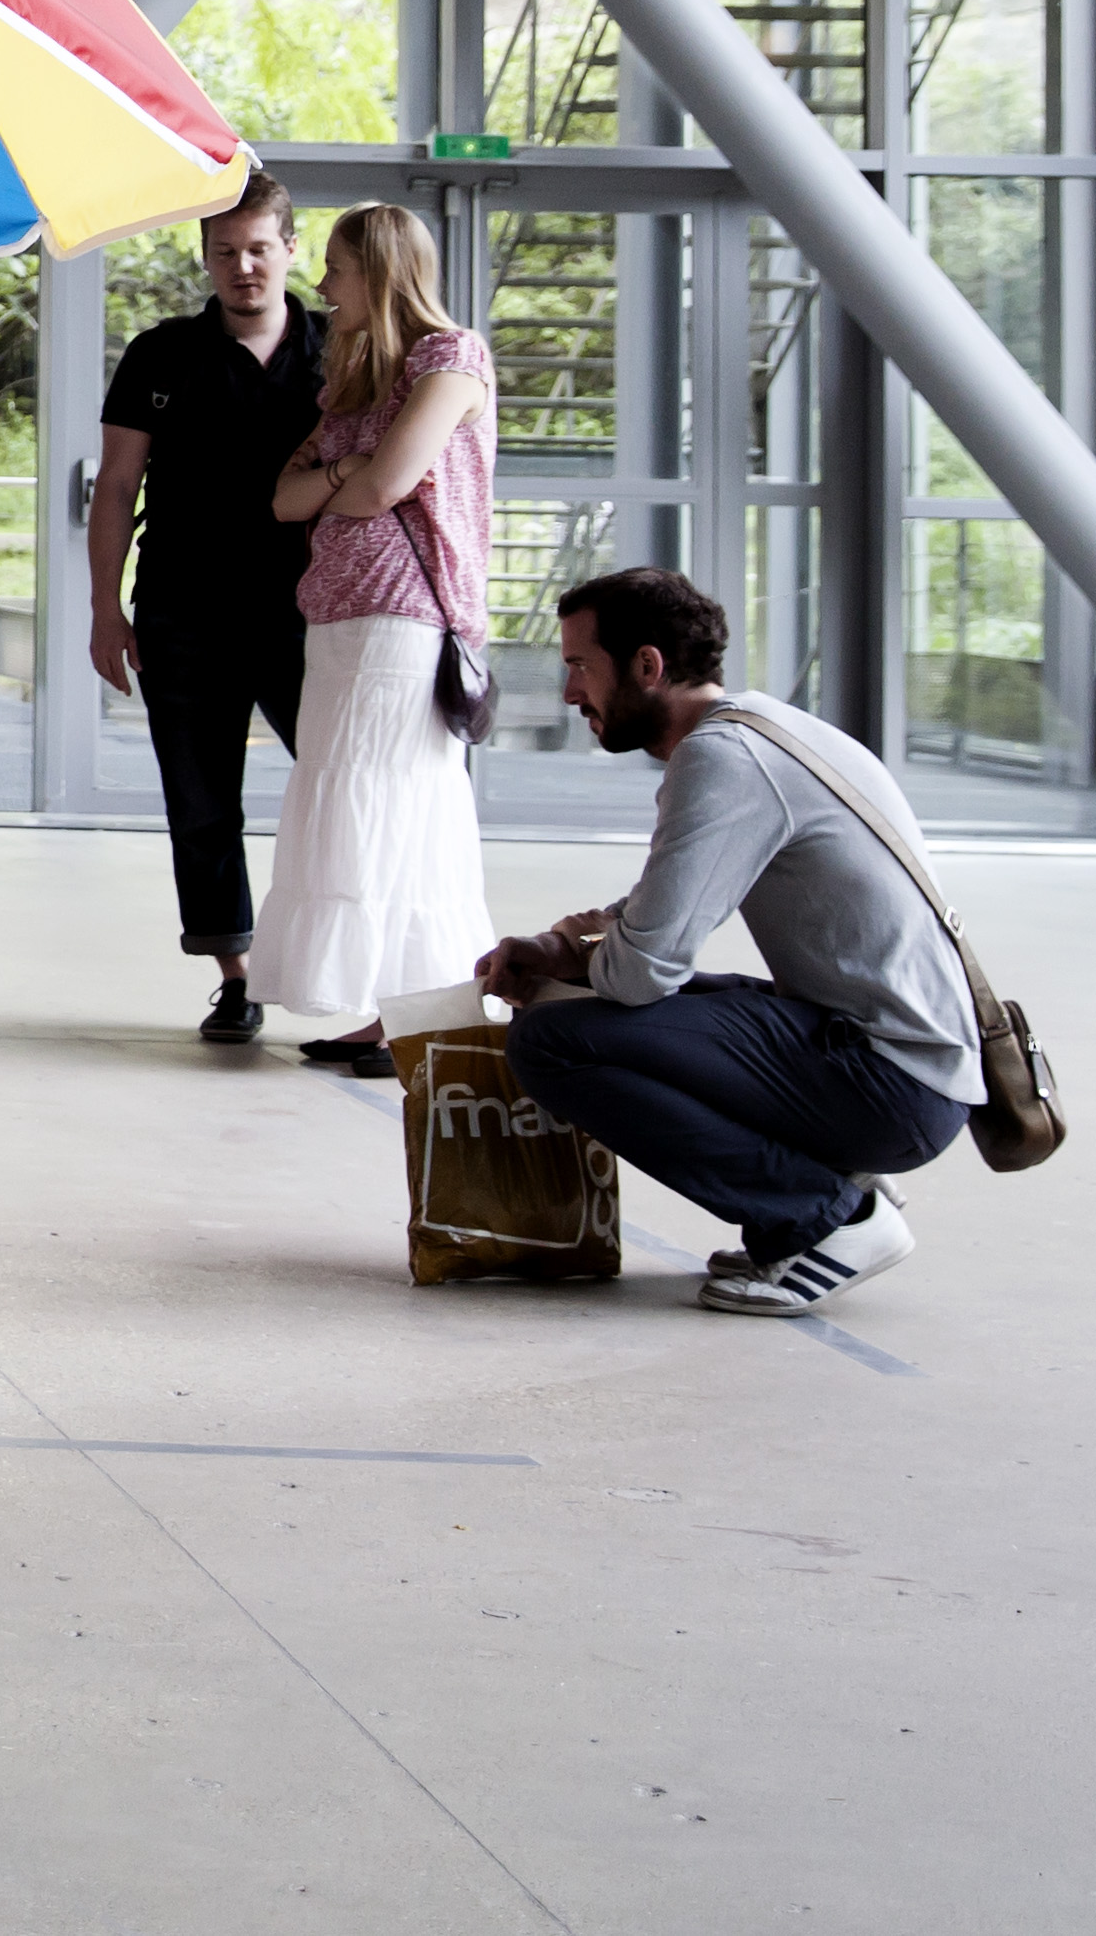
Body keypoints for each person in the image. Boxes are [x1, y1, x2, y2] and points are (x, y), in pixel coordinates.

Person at [481, 566, 985, 1319]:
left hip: (895, 1086)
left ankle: (829, 1220)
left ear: (646, 666)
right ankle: (823, 1194)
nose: (568, 693)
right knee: (641, 1001)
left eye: (580, 666)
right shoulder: (761, 728)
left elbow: (645, 968)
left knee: (553, 1041)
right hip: (904, 1062)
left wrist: (579, 963)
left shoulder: (722, 759)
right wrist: (566, 953)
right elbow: (670, 907)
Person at [252, 203, 498, 1075]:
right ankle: (382, 1010)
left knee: (395, 803)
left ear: (382, 271)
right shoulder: (352, 383)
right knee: (356, 799)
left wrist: (347, 474)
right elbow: (285, 499)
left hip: (405, 619)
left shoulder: (450, 358)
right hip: (339, 612)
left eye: (336, 268)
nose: (322, 285)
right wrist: (348, 474)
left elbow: (385, 484)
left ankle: (419, 1016)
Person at [87, 173, 323, 1044]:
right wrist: (105, 610)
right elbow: (115, 487)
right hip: (183, 613)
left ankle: (350, 967)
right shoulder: (161, 352)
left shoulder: (341, 349)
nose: (244, 266)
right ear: (205, 258)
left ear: (290, 249)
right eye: (225, 251)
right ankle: (238, 974)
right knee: (200, 799)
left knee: (337, 787)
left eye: (260, 247)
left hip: (311, 616)